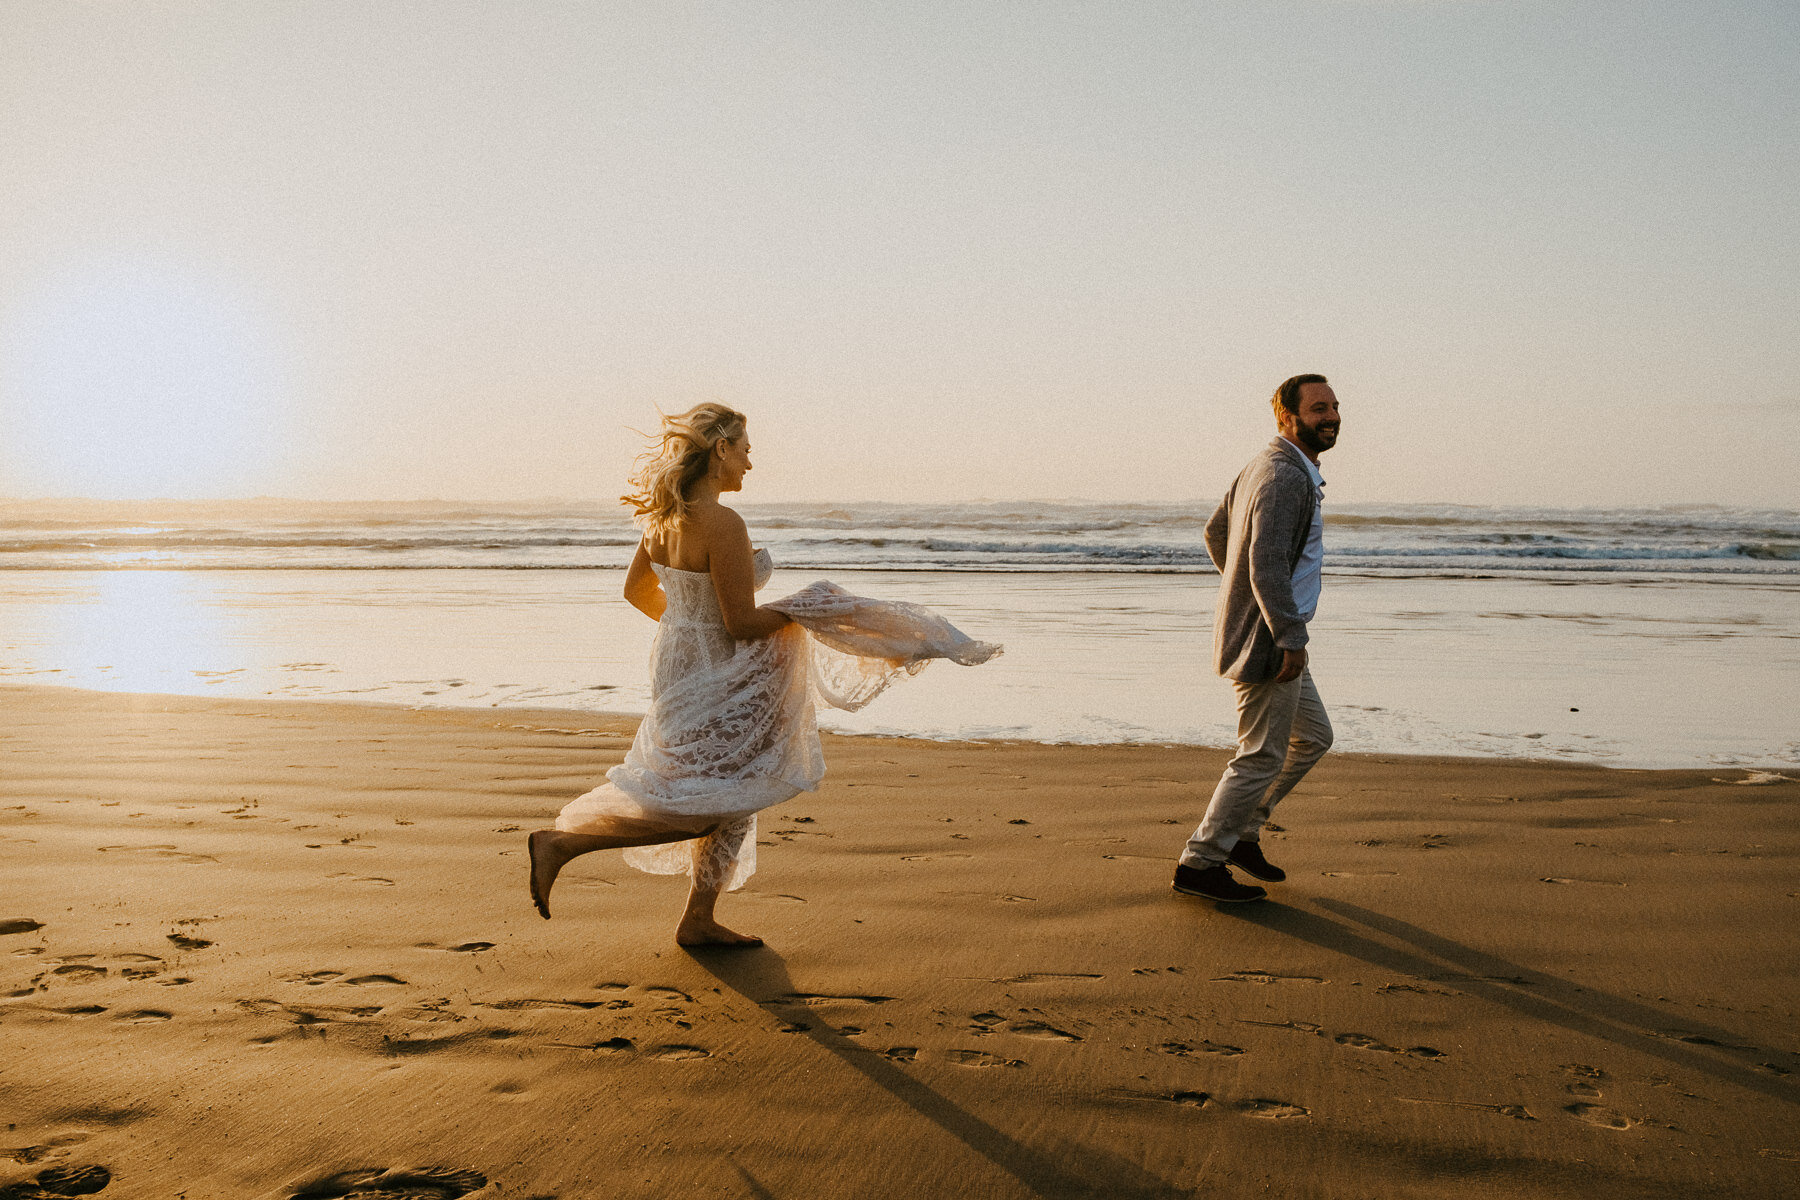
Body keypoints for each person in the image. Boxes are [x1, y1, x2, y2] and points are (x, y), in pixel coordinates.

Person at [528, 404, 999, 946]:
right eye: (746, 449)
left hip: (678, 658)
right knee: (702, 799)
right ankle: (561, 845)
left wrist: (689, 627)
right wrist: (807, 609)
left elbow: (637, 592)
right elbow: (742, 622)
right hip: (717, 664)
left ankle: (698, 920)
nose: (750, 462)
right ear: (721, 449)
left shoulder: (662, 515)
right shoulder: (722, 523)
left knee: (732, 784)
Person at [1174, 374, 1340, 903]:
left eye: (1335, 406)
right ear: (1287, 416)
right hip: (1271, 638)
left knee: (1312, 738)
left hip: (1271, 628)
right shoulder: (1282, 476)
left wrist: (1243, 596)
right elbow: (1265, 563)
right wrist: (1286, 633)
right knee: (1259, 756)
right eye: (1319, 408)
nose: (1331, 416)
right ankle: (1200, 862)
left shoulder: (1269, 467)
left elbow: (1214, 533)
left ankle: (1242, 832)